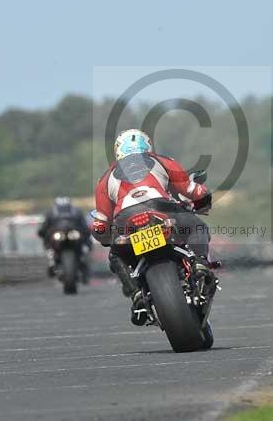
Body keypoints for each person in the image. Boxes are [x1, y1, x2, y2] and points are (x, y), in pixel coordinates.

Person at [90, 129, 213, 325]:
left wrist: (107, 238)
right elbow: (192, 190)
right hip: (162, 208)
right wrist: (203, 195)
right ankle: (199, 263)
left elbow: (99, 223)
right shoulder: (162, 160)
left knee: (116, 254)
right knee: (197, 227)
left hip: (126, 219)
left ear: (118, 151)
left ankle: (136, 295)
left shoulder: (104, 179)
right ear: (147, 145)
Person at [37, 197, 92, 279]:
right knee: (48, 243)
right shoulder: (50, 214)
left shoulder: (77, 213)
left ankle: (83, 260)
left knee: (86, 244)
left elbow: (84, 227)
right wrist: (42, 232)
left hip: (75, 238)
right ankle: (51, 262)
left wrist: (86, 233)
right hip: (57, 240)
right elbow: (44, 228)